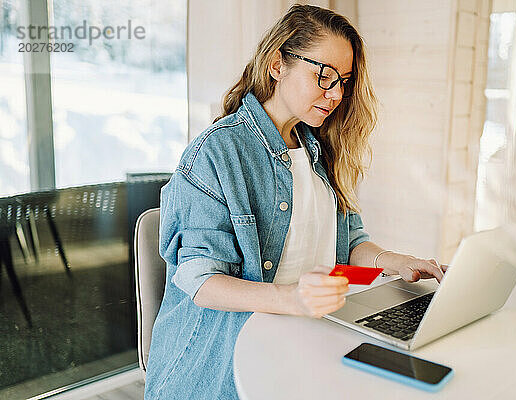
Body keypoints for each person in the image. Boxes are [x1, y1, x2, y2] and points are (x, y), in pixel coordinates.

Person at [144, 4, 447, 399]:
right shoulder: (217, 152)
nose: (337, 93)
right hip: (225, 363)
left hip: (307, 335)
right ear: (276, 64)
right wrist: (292, 299)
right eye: (324, 76)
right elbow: (202, 282)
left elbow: (350, 242)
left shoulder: (320, 147)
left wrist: (397, 262)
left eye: (344, 81)